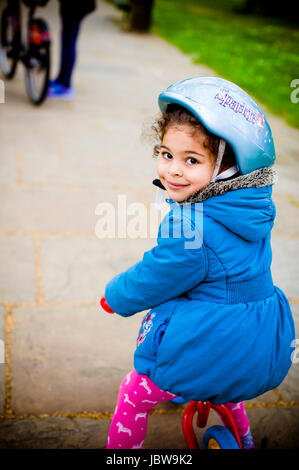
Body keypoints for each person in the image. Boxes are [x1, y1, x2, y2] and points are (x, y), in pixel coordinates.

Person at [103, 77, 295, 449]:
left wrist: (115, 296)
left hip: (211, 345)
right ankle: (246, 439)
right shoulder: (253, 206)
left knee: (132, 393)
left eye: (191, 160)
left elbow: (154, 277)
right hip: (259, 344)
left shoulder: (190, 225)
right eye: (166, 154)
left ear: (227, 168)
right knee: (226, 378)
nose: (173, 170)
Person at [47, 0, 95, 99]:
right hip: (75, 5)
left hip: (74, 5)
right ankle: (62, 80)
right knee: (68, 39)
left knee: (69, 40)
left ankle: (64, 85)